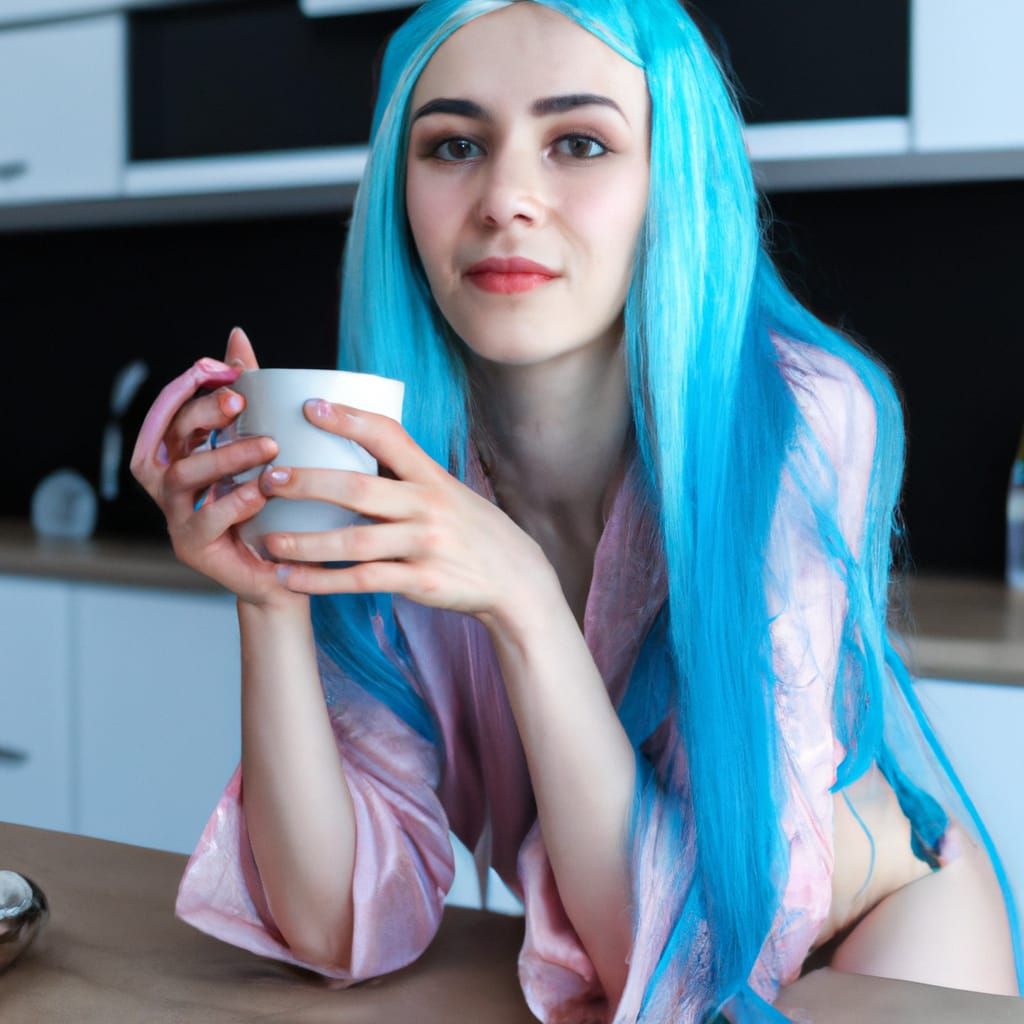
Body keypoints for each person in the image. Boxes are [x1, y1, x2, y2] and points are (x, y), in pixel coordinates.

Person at [130, 1, 1022, 1020]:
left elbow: (691, 950)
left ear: (667, 178)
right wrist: (272, 600)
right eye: (454, 145)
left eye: (580, 142)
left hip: (875, 931)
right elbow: (332, 924)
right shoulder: (398, 471)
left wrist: (520, 597)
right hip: (630, 963)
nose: (506, 199)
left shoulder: (795, 414)